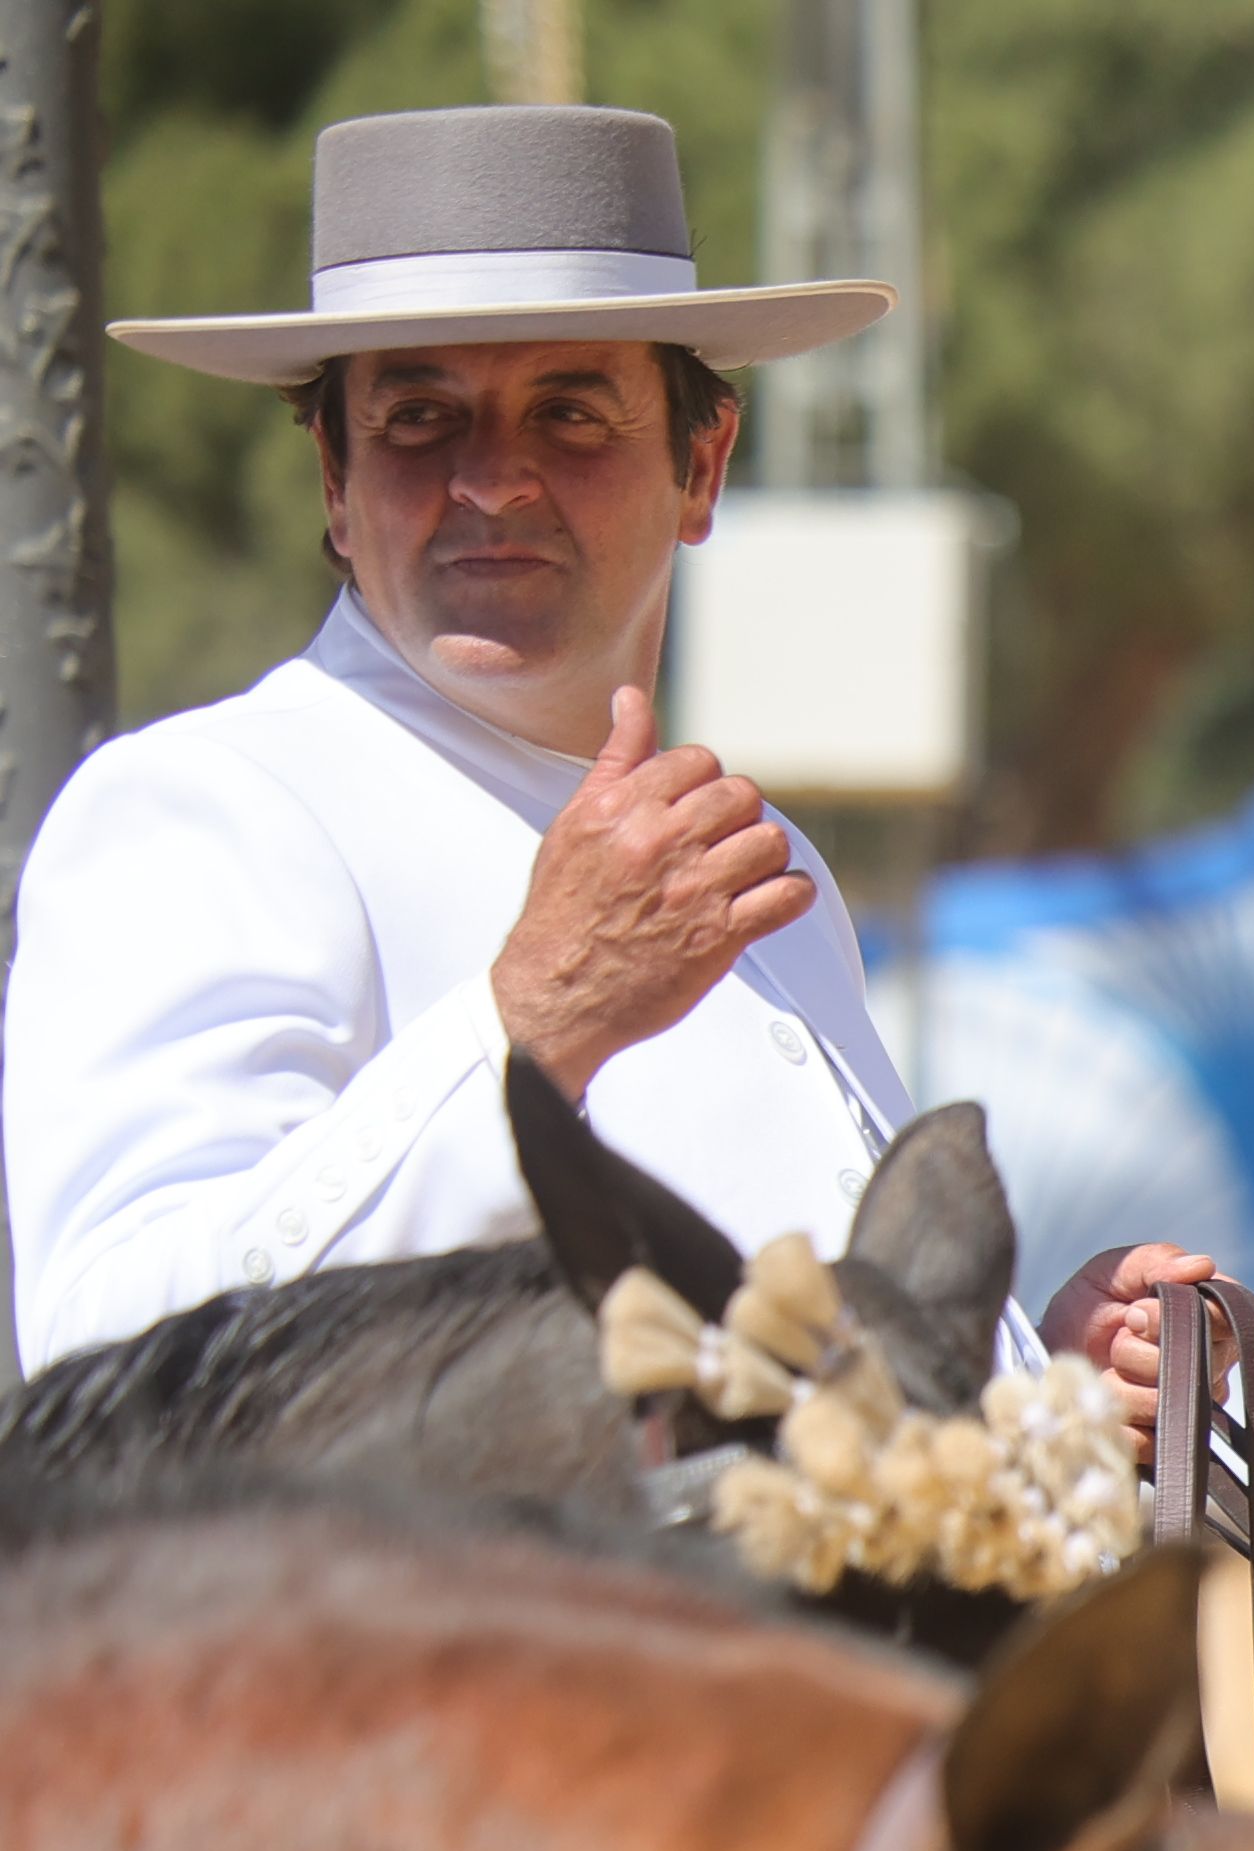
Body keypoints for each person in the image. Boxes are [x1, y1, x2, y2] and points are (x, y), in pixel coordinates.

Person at [11, 106, 904, 1372]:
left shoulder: (764, 872)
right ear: (334, 478)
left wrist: (1040, 1379)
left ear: (701, 468)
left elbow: (802, 1395)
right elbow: (113, 1364)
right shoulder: (208, 803)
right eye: (419, 420)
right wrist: (536, 1022)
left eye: (569, 415)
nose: (491, 480)